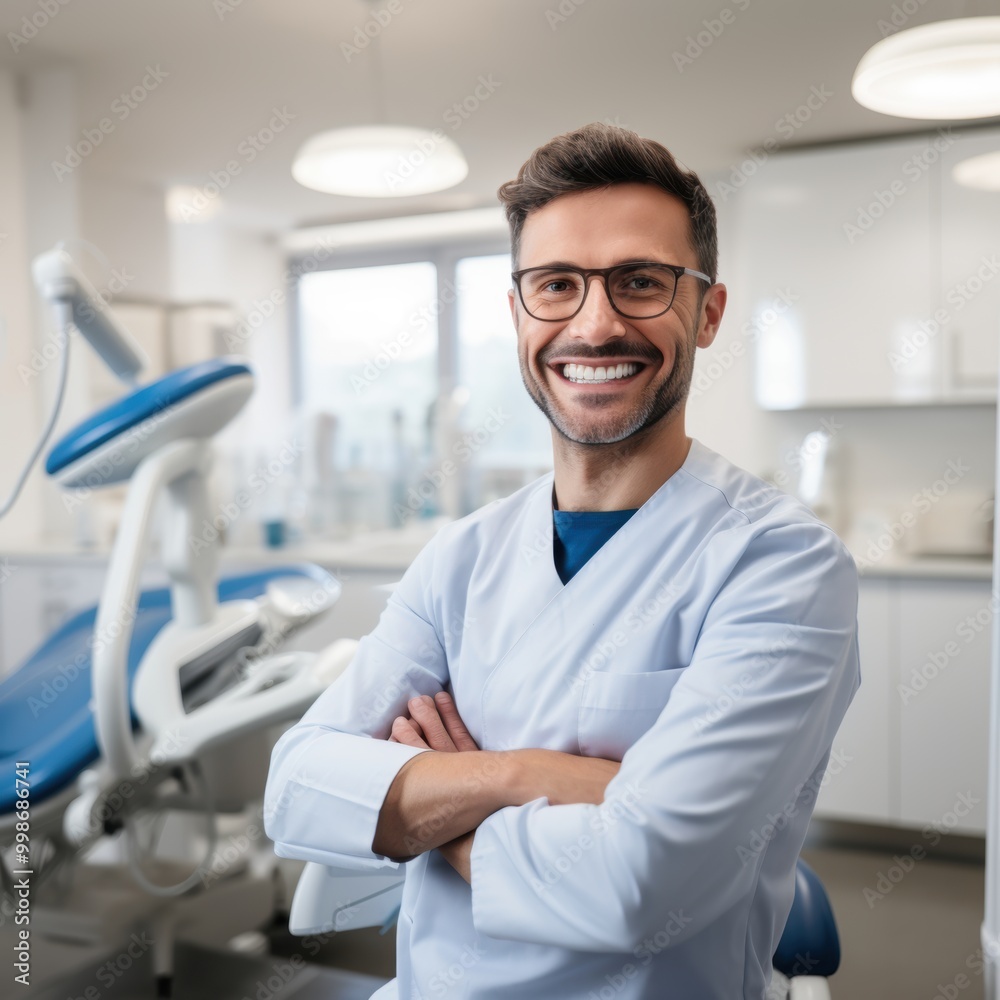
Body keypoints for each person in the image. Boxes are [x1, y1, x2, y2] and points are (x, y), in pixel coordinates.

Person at [264, 122, 860, 999]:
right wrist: (531, 776)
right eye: (556, 285)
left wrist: (432, 809)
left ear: (708, 310)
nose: (595, 322)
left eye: (641, 282)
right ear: (517, 313)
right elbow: (297, 791)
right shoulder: (461, 557)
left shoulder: (782, 568)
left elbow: (633, 889)